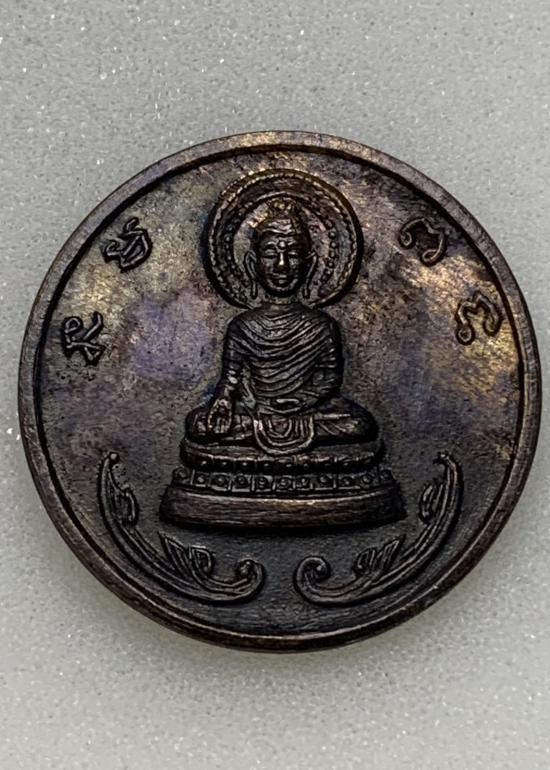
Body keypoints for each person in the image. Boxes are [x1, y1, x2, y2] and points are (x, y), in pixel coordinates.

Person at [186, 199, 377, 455]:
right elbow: (231, 378)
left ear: (310, 264)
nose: (282, 265)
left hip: (307, 410)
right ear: (252, 263)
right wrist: (223, 400)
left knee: (359, 424)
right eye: (270, 254)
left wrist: (303, 399)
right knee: (198, 424)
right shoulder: (242, 326)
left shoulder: (322, 325)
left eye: (293, 254)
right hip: (255, 410)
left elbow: (330, 377)